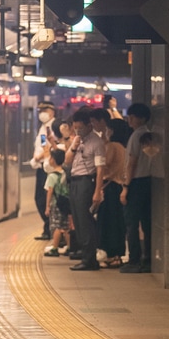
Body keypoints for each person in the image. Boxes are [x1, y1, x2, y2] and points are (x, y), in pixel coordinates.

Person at [65, 108, 106, 270]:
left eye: (80, 128)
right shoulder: (78, 140)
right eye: (75, 128)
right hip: (75, 182)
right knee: (77, 219)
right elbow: (67, 161)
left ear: (89, 126)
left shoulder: (96, 142)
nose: (78, 131)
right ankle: (85, 254)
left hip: (86, 182)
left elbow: (100, 169)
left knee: (85, 220)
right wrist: (74, 146)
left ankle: (90, 260)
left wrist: (97, 191)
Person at [120, 103, 156, 273]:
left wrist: (126, 186)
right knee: (147, 223)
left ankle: (134, 260)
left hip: (135, 183)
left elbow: (132, 163)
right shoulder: (150, 135)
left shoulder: (136, 136)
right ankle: (147, 259)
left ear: (141, 118)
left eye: (132, 117)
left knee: (131, 223)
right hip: (148, 182)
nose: (129, 120)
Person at [97, 118, 131, 267]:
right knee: (117, 223)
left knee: (108, 222)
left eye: (109, 129)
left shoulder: (112, 146)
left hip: (110, 187)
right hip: (118, 186)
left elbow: (105, 163)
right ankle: (117, 254)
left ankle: (112, 255)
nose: (107, 131)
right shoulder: (123, 147)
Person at [31, 100, 58, 240]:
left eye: (45, 110)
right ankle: (48, 227)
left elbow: (50, 147)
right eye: (40, 111)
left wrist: (38, 157)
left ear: (52, 111)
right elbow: (43, 144)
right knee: (39, 198)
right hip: (42, 166)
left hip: (48, 167)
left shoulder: (53, 127)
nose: (42, 114)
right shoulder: (43, 127)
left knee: (44, 199)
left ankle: (50, 229)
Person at [42, 148, 71, 257]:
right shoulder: (65, 172)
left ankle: (55, 248)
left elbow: (50, 191)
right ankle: (69, 247)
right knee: (66, 226)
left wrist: (47, 206)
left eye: (50, 157)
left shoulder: (52, 175)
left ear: (53, 160)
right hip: (66, 203)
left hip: (56, 204)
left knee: (57, 227)